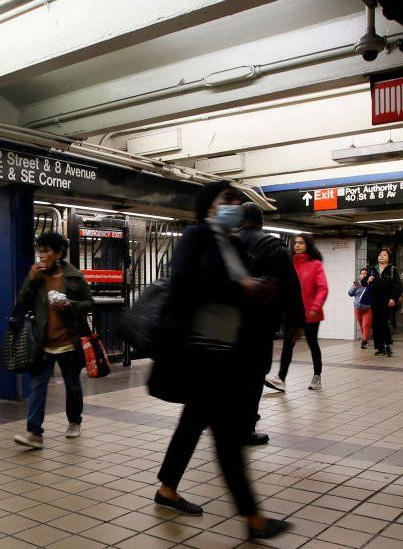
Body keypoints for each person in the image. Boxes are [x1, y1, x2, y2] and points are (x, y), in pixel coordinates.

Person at [153, 181, 291, 540]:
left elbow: (231, 292)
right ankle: (253, 519)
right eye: (227, 199)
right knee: (228, 436)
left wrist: (257, 290)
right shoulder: (196, 237)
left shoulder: (228, 243)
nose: (234, 205)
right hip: (200, 351)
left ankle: (168, 488)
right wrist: (239, 289)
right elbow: (184, 283)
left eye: (236, 200)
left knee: (194, 422)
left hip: (223, 352)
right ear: (209, 206)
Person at [13, 231, 94, 449]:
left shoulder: (74, 276)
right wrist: (30, 279)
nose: (41, 255)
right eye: (40, 251)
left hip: (69, 343)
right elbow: (22, 301)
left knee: (73, 386)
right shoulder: (37, 277)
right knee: (38, 386)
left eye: (46, 251)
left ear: (58, 253)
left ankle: (74, 421)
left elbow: (89, 303)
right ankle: (34, 433)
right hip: (43, 343)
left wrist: (70, 305)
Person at [234, 203, 303, 443]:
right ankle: (245, 427)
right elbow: (291, 288)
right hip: (260, 324)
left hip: (226, 324)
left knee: (229, 373)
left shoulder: (226, 244)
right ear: (261, 221)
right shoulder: (274, 246)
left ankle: (223, 422)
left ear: (239, 220)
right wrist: (295, 322)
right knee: (254, 375)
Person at [270, 233, 328, 391]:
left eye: (301, 243)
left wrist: (316, 306)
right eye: (295, 243)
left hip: (311, 313)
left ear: (307, 245)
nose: (297, 245)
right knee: (287, 345)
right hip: (292, 313)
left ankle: (317, 375)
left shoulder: (315, 265)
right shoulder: (289, 264)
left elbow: (323, 288)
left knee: (312, 344)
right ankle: (281, 379)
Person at [369, 249, 403, 356]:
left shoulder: (392, 270)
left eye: (384, 255)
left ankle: (387, 345)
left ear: (388, 258)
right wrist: (367, 280)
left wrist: (393, 298)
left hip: (387, 301)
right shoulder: (373, 269)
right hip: (375, 301)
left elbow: (398, 286)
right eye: (380, 255)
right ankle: (378, 347)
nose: (381, 256)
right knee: (376, 323)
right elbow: (364, 282)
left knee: (384, 322)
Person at [349, 268, 373, 348]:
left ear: (368, 275)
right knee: (362, 325)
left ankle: (364, 341)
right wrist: (354, 287)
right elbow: (350, 293)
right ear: (360, 275)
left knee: (366, 324)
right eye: (362, 273)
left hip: (368, 309)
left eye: (365, 273)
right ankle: (365, 339)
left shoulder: (371, 283)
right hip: (358, 308)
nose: (363, 275)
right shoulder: (357, 283)